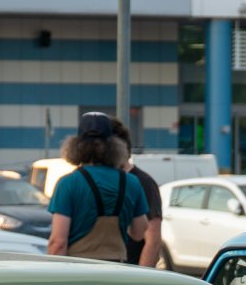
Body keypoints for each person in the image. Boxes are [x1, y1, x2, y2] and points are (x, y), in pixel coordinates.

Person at [46, 112, 147, 262]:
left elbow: (58, 242)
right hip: (118, 270)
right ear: (114, 146)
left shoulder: (68, 183)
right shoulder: (131, 182)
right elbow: (139, 232)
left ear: (75, 145)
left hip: (78, 270)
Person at [110, 118, 163, 268]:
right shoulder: (111, 179)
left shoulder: (143, 182)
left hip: (130, 274)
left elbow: (153, 241)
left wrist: (140, 283)